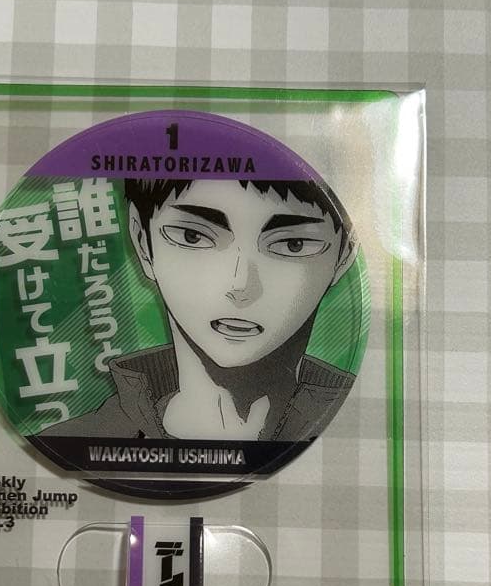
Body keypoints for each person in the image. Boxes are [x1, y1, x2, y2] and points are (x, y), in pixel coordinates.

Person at [45, 176, 360, 441]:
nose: (240, 284)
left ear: (345, 252)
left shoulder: (363, 442)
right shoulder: (69, 444)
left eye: (293, 244)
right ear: (142, 242)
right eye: (193, 236)